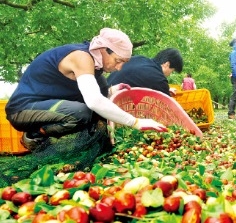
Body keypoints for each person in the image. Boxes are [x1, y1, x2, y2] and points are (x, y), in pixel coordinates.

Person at [5, 28, 166, 151]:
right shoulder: (81, 57)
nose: (119, 68)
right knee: (82, 112)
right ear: (103, 49)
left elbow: (98, 94)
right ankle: (35, 134)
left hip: (45, 105)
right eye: (118, 61)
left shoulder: (96, 66)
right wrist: (135, 122)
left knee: (102, 96)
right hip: (23, 109)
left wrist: (111, 91)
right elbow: (94, 101)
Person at [107, 48, 183, 96]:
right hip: (110, 108)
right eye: (172, 71)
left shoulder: (140, 58)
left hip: (103, 92)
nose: (170, 74)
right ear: (167, 64)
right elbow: (168, 104)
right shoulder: (159, 78)